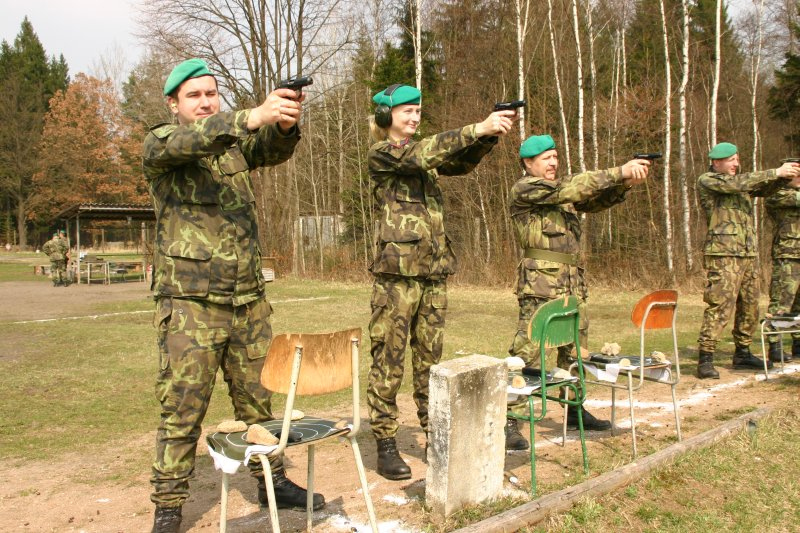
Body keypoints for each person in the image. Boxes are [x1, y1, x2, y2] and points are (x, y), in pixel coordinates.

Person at [142, 58, 321, 533]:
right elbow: (197, 139)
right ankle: (168, 506)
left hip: (247, 301)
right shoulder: (162, 144)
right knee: (182, 408)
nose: (205, 102)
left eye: (211, 93)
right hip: (191, 307)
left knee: (259, 404)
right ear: (173, 104)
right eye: (194, 95)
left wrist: (283, 123)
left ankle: (272, 481)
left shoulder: (231, 149)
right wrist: (253, 115)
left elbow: (270, 149)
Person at [366, 83, 515, 480]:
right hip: (396, 279)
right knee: (388, 360)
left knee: (430, 363)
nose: (414, 117)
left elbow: (459, 163)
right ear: (386, 116)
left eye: (418, 111)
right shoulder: (384, 153)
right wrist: (477, 127)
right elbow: (426, 153)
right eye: (406, 111)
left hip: (433, 274)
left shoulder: (423, 155)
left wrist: (488, 137)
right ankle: (385, 442)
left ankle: (435, 433)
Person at [504, 134, 650, 450]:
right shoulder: (526, 188)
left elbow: (592, 200)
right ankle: (510, 418)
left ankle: (574, 408)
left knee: (575, 351)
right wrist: (619, 171)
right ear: (528, 163)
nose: (553, 162)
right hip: (541, 284)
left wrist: (624, 184)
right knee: (528, 351)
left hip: (572, 282)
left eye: (555, 156)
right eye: (546, 158)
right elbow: (573, 187)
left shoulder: (563, 193)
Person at [695, 142, 800, 379]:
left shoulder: (741, 183)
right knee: (720, 305)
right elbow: (738, 184)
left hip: (747, 253)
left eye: (737, 159)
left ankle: (743, 352)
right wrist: (776, 172)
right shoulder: (709, 180)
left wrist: (784, 176)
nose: (736, 163)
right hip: (724, 254)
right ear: (716, 162)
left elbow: (763, 188)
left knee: (750, 306)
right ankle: (706, 357)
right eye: (731, 160)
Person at [764, 175, 800, 362]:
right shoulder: (777, 193)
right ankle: (774, 344)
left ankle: (798, 342)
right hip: (787, 255)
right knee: (781, 301)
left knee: (799, 304)